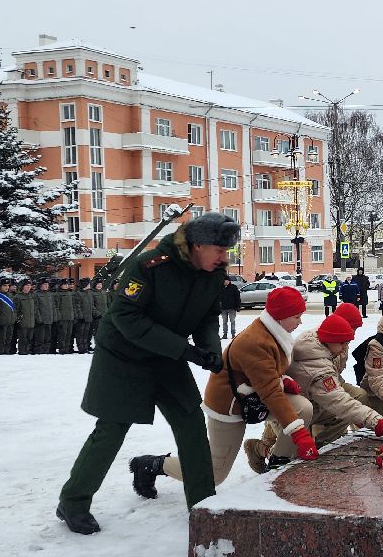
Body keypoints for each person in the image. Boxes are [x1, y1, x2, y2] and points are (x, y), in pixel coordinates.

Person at [56, 211, 238, 535]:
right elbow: (126, 317)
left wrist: (209, 349)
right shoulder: (151, 265)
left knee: (191, 424)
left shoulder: (212, 273)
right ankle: (73, 502)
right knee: (112, 429)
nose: (225, 257)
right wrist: (184, 350)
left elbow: (208, 317)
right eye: (220, 250)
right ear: (197, 245)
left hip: (167, 357)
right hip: (123, 356)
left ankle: (203, 506)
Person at [130, 286, 314, 492]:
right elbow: (270, 392)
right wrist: (299, 434)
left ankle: (277, 464)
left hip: (253, 397)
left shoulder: (276, 333)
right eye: (296, 316)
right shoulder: (256, 342)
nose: (300, 322)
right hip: (229, 405)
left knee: (302, 408)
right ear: (280, 316)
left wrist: (283, 380)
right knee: (214, 473)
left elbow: (269, 376)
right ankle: (152, 465)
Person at [285, 311, 383, 448]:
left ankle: (321, 447)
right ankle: (273, 450)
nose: (345, 348)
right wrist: (374, 420)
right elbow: (338, 401)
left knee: (344, 413)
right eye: (343, 343)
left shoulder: (317, 340)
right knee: (294, 454)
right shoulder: (318, 367)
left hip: (309, 401)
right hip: (293, 414)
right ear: (330, 339)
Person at [0, 277, 17, 355]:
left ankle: (7, 354)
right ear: (0, 286)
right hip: (1, 323)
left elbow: (13, 309)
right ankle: (0, 355)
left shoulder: (10, 295)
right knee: (0, 341)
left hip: (10, 322)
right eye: (4, 285)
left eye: (8, 285)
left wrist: (14, 319)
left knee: (8, 340)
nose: (7, 287)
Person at [53, 276, 75, 354]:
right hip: (62, 318)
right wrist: (59, 317)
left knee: (69, 334)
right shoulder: (57, 294)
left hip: (70, 317)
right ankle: (62, 348)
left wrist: (74, 315)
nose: (66, 286)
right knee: (63, 334)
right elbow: (56, 306)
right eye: (64, 284)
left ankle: (67, 348)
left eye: (67, 284)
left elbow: (73, 305)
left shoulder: (70, 293)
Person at [33, 278, 55, 354]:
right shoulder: (36, 294)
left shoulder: (50, 294)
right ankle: (39, 352)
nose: (46, 286)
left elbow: (53, 306)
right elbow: (35, 308)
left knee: (48, 337)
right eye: (44, 284)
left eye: (47, 284)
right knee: (40, 338)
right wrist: (39, 318)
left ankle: (46, 351)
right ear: (40, 285)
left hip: (49, 319)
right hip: (41, 320)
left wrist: (53, 317)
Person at [16, 278, 37, 354]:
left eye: (29, 285)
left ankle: (27, 351)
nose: (28, 287)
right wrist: (18, 319)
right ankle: (22, 352)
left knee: (29, 338)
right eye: (26, 285)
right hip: (23, 322)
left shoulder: (32, 296)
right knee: (23, 339)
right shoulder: (18, 297)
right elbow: (16, 310)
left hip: (31, 321)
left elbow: (35, 308)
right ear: (22, 286)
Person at [73, 277, 94, 353]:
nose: (89, 285)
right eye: (88, 284)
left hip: (88, 317)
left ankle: (85, 347)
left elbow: (91, 305)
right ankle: (81, 348)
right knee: (80, 334)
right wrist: (80, 316)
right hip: (81, 318)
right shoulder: (78, 294)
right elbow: (77, 306)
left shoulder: (89, 293)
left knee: (86, 334)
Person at [90, 278, 108, 351]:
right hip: (97, 317)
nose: (99, 286)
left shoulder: (104, 292)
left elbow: (108, 304)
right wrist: (97, 314)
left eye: (100, 284)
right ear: (95, 285)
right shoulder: (92, 293)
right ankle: (98, 346)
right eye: (98, 284)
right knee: (97, 332)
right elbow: (91, 305)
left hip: (105, 315)